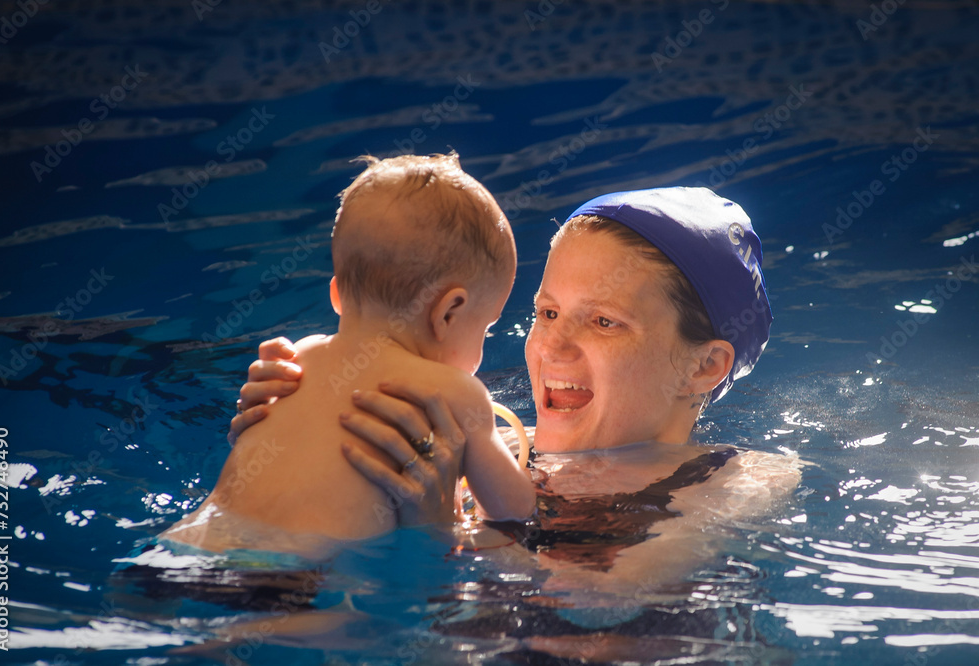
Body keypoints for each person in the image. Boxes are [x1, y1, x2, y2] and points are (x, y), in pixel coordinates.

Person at [231, 186, 800, 593]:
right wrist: (290, 421)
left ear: (704, 366)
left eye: (604, 321)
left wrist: (437, 527)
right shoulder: (481, 440)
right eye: (547, 312)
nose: (552, 347)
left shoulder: (735, 480)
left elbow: (597, 602)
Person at [162, 153, 535, 555]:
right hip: (287, 573)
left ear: (337, 294)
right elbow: (516, 514)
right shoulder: (457, 395)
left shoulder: (295, 360)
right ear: (448, 312)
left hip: (184, 547)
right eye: (486, 327)